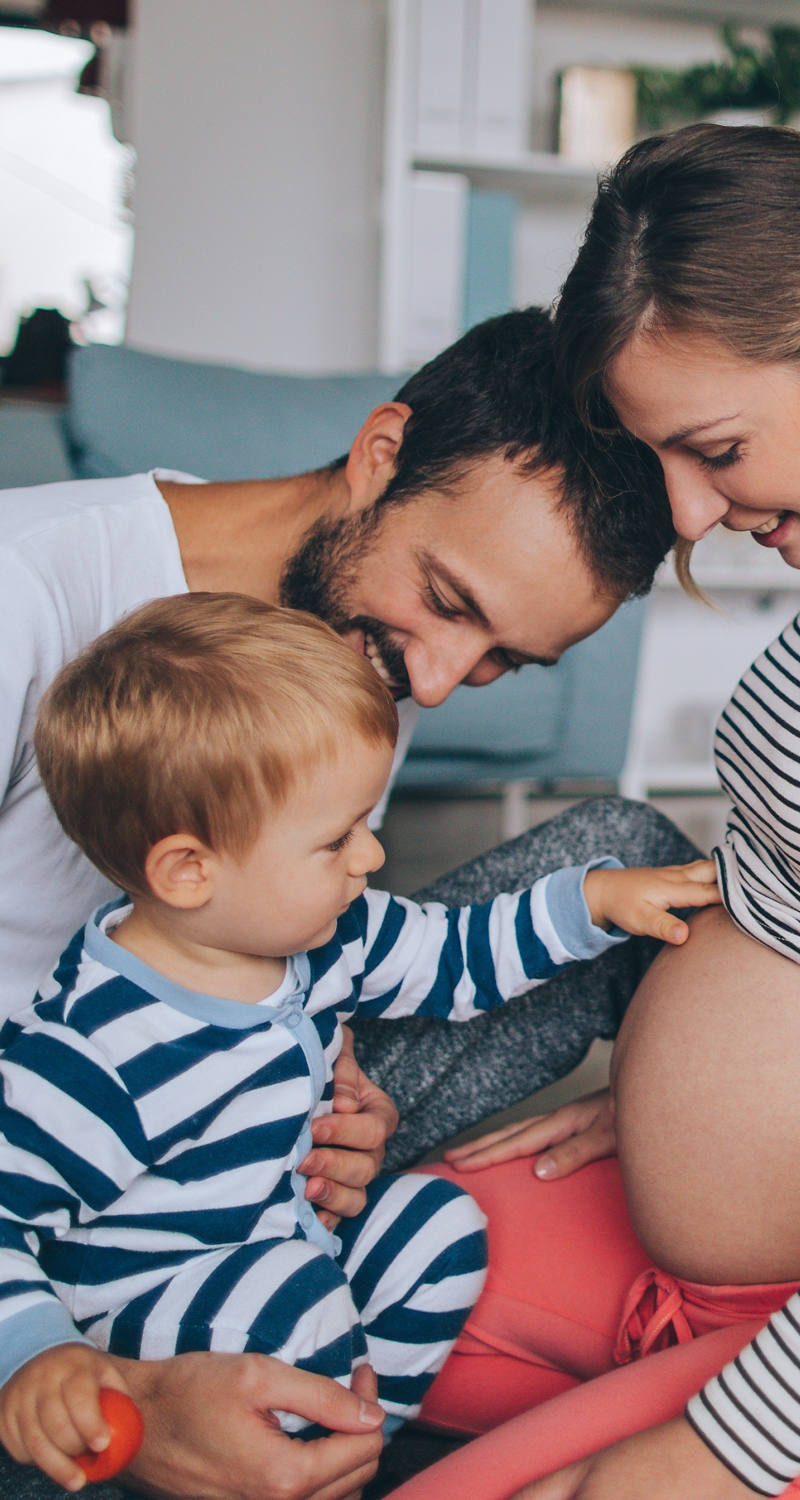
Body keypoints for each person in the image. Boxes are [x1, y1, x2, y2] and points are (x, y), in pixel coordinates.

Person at [0, 305, 698, 1500]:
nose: (437, 680)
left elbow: (328, 936)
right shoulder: (24, 596)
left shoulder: (368, 639)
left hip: (254, 1131)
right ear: (379, 455)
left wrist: (334, 1072)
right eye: (451, 601)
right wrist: (116, 1391)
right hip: (64, 1181)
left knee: (625, 859)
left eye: (499, 662)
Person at [378, 122, 800, 1500]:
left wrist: (725, 1453)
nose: (687, 512)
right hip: (687, 1246)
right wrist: (703, 1112)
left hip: (772, 1341)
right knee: (313, 1302)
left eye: (716, 447)